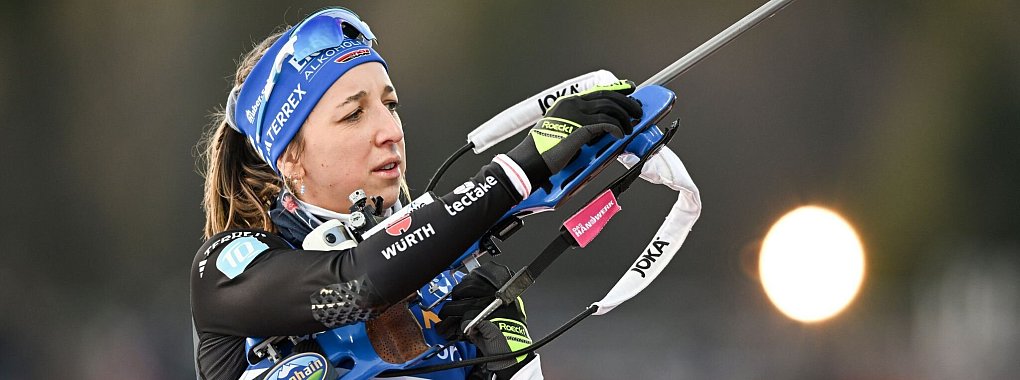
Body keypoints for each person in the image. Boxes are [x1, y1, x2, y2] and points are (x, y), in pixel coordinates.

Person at [190, 7, 642, 380]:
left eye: (390, 105)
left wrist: (515, 366)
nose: (389, 131)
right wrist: (514, 172)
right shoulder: (227, 272)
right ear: (290, 156)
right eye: (353, 115)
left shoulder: (450, 284)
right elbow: (356, 286)